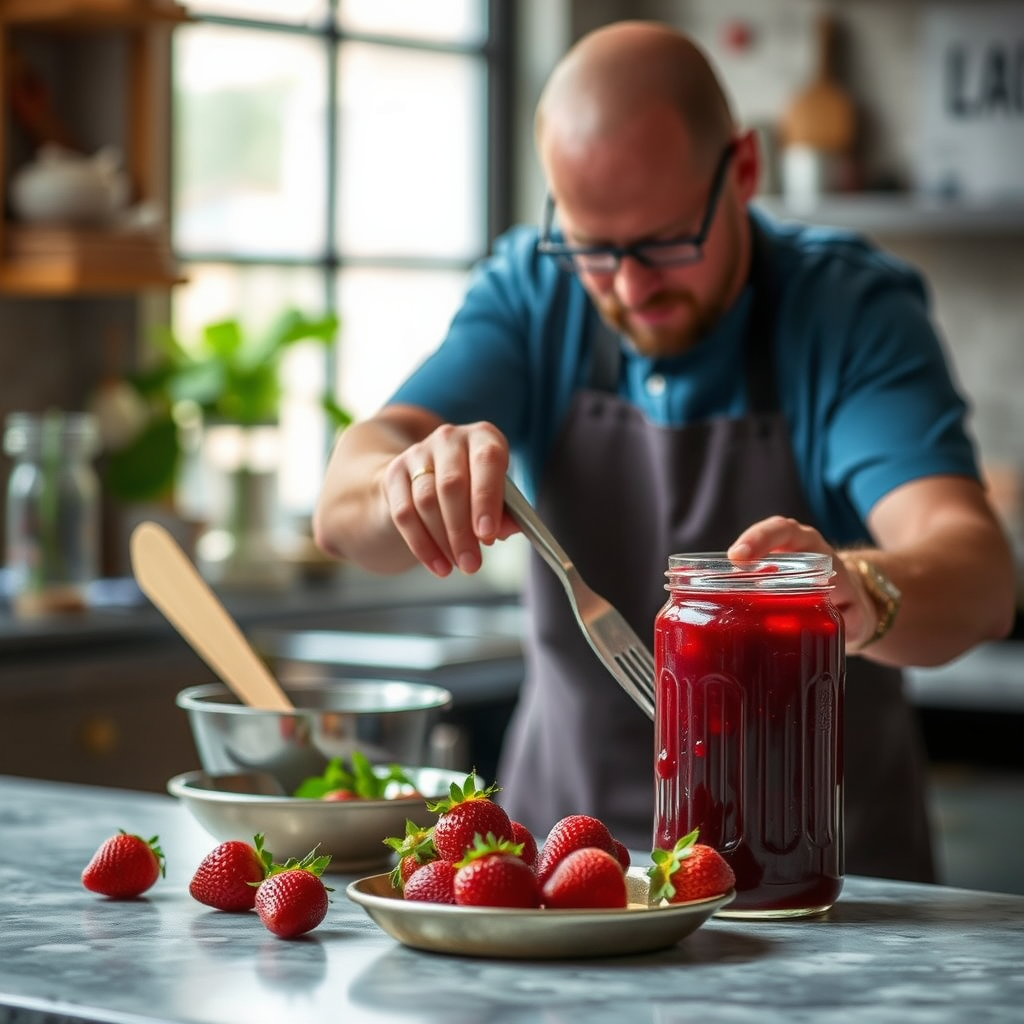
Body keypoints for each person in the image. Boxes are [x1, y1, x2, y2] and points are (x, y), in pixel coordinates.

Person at [313, 21, 1015, 882]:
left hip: (821, 896)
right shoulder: (533, 292)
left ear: (745, 171)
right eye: (594, 250)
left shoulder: (850, 312)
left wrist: (860, 590)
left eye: (663, 242)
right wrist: (407, 481)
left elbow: (979, 575)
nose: (631, 286)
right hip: (562, 885)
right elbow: (342, 509)